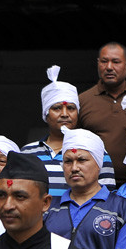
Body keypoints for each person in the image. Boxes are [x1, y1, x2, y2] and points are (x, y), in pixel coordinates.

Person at [22, 65, 116, 198]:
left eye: (71, 108)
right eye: (57, 108)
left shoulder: (96, 150)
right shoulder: (27, 153)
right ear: (46, 114)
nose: (65, 114)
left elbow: (108, 198)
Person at [44, 127, 126, 249]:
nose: (74, 168)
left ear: (98, 164)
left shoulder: (123, 208)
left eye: (82, 160)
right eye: (68, 161)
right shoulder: (48, 208)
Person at [77, 42, 126, 184]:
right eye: (104, 61)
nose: (109, 67)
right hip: (95, 184)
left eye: (116, 62)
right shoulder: (83, 100)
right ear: (98, 64)